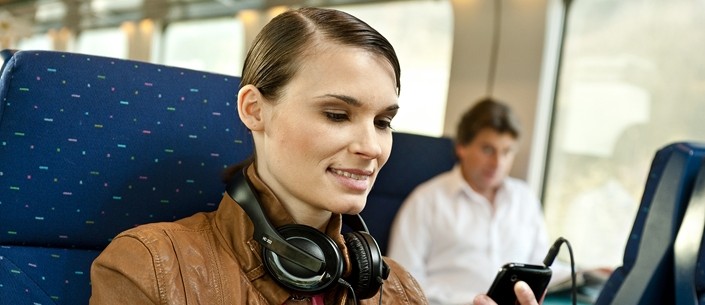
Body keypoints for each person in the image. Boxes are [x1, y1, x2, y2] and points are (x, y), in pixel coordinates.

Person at [89, 7, 539, 305]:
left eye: (383, 122)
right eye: (337, 114)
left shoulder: (397, 290)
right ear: (255, 110)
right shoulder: (150, 268)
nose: (372, 147)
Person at [388, 97, 555, 305]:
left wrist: (587, 275)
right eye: (487, 149)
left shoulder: (525, 199)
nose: (497, 163)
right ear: (462, 147)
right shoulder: (426, 201)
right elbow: (401, 283)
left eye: (507, 151)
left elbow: (541, 267)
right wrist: (473, 301)